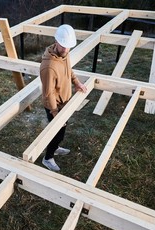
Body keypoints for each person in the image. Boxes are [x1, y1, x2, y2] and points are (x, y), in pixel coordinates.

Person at [40, 24, 87, 172]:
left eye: (68, 47)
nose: (65, 50)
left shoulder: (64, 54)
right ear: (56, 41)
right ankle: (48, 158)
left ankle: (55, 148)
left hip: (64, 102)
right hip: (54, 105)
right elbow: (49, 93)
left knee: (61, 132)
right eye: (63, 46)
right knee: (57, 132)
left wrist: (77, 82)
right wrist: (55, 113)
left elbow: (69, 70)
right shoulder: (49, 66)